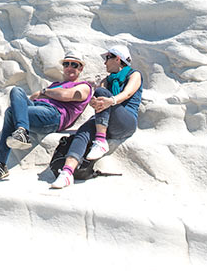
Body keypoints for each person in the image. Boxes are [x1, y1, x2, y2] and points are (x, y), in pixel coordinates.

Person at [0, 53, 93, 181]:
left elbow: (64, 95)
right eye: (66, 64)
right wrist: (49, 94)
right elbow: (34, 97)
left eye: (74, 65)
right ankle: (21, 131)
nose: (69, 67)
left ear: (80, 68)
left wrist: (45, 92)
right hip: (38, 109)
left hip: (54, 115)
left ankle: (0, 163)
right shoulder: (56, 85)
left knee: (10, 112)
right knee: (16, 91)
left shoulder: (84, 86)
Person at [51, 45, 142, 189]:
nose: (105, 62)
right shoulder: (107, 80)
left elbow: (128, 94)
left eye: (107, 58)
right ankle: (67, 172)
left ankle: (100, 141)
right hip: (106, 121)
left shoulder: (134, 74)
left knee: (102, 93)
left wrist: (110, 101)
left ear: (118, 59)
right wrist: (95, 102)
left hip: (126, 121)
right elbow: (97, 99)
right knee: (82, 132)